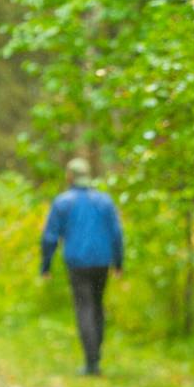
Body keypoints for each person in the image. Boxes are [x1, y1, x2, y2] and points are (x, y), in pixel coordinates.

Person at [41, 157, 124, 376]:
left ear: (70, 176)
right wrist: (118, 262)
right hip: (102, 262)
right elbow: (117, 234)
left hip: (77, 263)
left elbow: (50, 237)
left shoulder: (62, 202)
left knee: (84, 308)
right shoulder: (104, 201)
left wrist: (46, 265)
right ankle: (95, 358)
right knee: (97, 306)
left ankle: (91, 362)